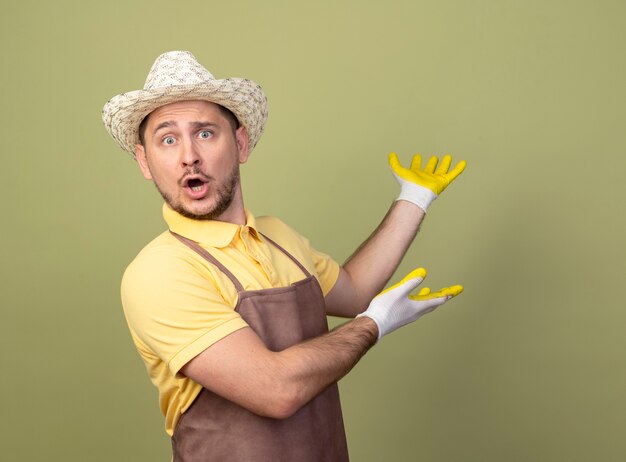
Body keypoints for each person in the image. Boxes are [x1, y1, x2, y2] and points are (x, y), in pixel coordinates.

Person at [102, 50, 466, 462]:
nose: (189, 156)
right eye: (167, 139)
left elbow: (354, 293)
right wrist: (375, 325)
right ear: (144, 161)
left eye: (205, 133)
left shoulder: (277, 236)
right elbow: (276, 390)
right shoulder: (160, 272)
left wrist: (413, 200)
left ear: (240, 143)